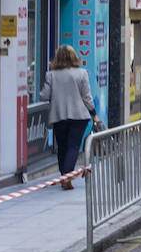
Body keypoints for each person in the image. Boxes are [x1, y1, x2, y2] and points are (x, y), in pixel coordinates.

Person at [40, 45, 99, 190]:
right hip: (79, 116)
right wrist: (93, 113)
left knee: (62, 146)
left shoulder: (51, 75)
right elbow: (87, 97)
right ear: (74, 57)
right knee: (73, 146)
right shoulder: (82, 73)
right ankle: (67, 177)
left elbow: (44, 96)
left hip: (59, 116)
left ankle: (64, 176)